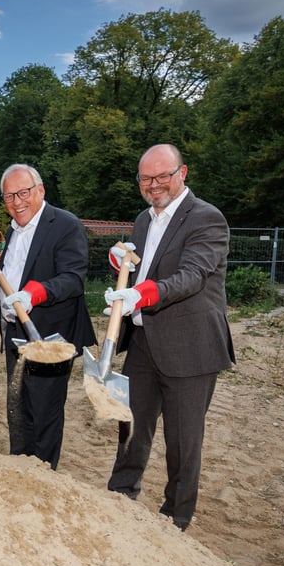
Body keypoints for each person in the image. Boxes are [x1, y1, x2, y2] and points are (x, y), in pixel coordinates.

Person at [104, 144, 235, 531]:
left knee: (183, 441)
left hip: (190, 346)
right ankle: (119, 497)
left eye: (163, 175)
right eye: (146, 178)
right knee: (131, 424)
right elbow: (146, 265)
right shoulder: (144, 220)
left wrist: (140, 294)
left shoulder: (207, 218)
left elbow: (191, 276)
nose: (154, 184)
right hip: (144, 343)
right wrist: (125, 260)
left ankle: (175, 518)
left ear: (183, 173)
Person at [0, 164, 96, 470]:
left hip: (51, 337)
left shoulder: (64, 224)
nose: (17, 201)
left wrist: (33, 293)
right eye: (9, 196)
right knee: (18, 407)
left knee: (44, 411)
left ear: (41, 190)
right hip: (16, 334)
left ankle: (42, 473)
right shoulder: (13, 228)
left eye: (23, 192)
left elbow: (73, 278)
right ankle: (20, 468)